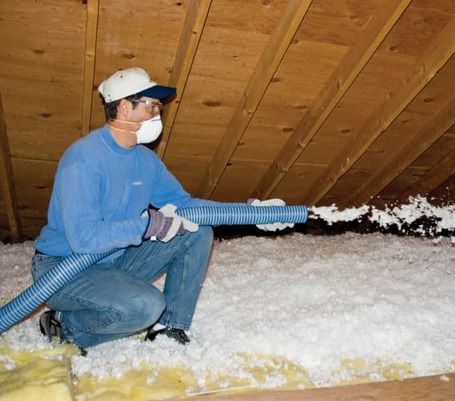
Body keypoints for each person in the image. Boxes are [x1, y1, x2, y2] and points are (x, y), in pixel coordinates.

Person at [32, 67, 275, 352]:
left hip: (112, 259)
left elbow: (186, 207)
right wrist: (146, 225)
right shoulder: (83, 159)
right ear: (124, 107)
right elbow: (84, 239)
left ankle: (170, 326)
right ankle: (65, 323)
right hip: (64, 269)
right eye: (151, 107)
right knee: (145, 306)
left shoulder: (145, 161)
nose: (157, 115)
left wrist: (255, 213)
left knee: (196, 232)